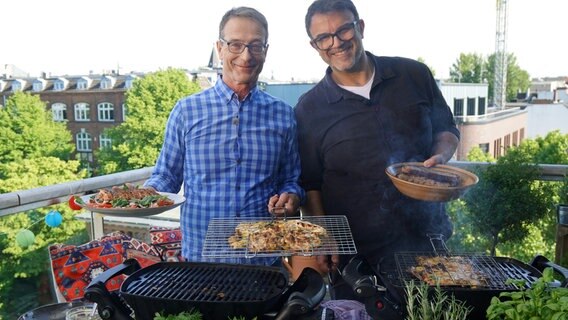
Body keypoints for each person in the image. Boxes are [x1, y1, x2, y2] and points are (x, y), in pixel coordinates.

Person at [296, 0, 460, 301]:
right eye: (324, 38)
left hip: (428, 240)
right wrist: (322, 239)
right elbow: (311, 184)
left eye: (344, 29)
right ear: (315, 45)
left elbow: (446, 129)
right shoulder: (309, 108)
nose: (337, 42)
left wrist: (441, 156)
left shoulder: (414, 74)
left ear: (359, 27)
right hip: (358, 258)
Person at [145, 6, 304, 266]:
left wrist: (290, 197)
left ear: (266, 51)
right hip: (203, 257)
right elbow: (167, 177)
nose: (246, 55)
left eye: (255, 45)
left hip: (263, 260)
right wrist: (140, 198)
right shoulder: (186, 111)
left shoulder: (283, 114)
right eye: (236, 45)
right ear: (220, 48)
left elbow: (291, 180)